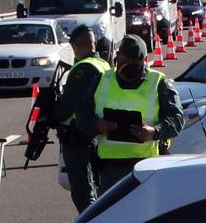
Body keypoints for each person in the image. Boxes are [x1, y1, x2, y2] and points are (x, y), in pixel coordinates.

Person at [76, 34, 183, 194]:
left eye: (135, 64)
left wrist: (154, 132)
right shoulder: (102, 80)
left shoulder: (158, 82)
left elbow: (177, 119)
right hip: (109, 168)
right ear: (117, 57)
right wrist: (98, 125)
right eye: (123, 63)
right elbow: (82, 116)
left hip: (147, 167)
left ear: (144, 61)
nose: (127, 68)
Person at [52, 25, 110, 213]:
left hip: (77, 135)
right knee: (95, 184)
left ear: (76, 45)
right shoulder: (102, 63)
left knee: (82, 190)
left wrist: (51, 115)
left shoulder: (83, 69)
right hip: (94, 131)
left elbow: (69, 105)